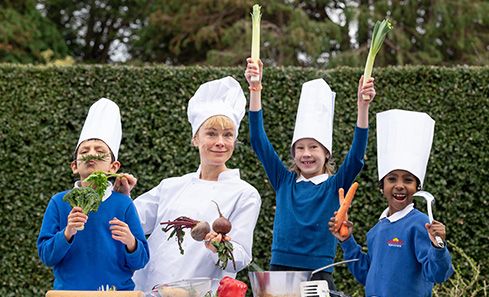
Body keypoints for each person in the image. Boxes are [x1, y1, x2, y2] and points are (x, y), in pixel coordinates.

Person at [244, 58, 375, 290]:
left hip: (319, 273)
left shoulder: (334, 186)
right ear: (293, 153)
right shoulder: (284, 181)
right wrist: (255, 89)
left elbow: (355, 158)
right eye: (300, 148)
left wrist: (362, 107)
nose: (306, 154)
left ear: (326, 153)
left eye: (313, 147)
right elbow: (258, 140)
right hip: (279, 269)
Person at [130, 76, 262, 293]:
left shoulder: (245, 193)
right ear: (195, 138)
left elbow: (239, 259)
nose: (220, 142)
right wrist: (117, 194)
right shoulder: (171, 186)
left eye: (228, 135)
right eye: (211, 133)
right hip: (150, 291)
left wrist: (219, 247)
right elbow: (130, 219)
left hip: (201, 293)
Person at [329, 109, 454, 297]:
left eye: (408, 180)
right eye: (392, 179)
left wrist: (438, 246)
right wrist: (347, 241)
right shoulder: (376, 231)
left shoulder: (420, 225)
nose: (400, 186)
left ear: (417, 188)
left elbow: (437, 274)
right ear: (382, 186)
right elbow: (366, 274)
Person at [37, 98, 150, 290]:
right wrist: (68, 232)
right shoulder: (59, 202)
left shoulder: (123, 204)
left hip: (117, 293)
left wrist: (131, 242)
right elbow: (47, 256)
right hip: (69, 294)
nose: (92, 154)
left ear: (113, 167)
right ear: (74, 166)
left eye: (100, 151)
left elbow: (141, 260)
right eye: (85, 151)